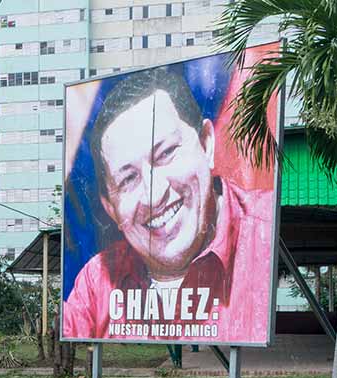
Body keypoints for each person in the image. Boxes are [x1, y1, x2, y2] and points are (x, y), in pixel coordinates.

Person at [62, 66, 275, 343]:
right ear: (110, 207)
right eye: (128, 179)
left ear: (207, 144)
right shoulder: (96, 283)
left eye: (166, 154)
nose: (154, 195)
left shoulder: (265, 237)